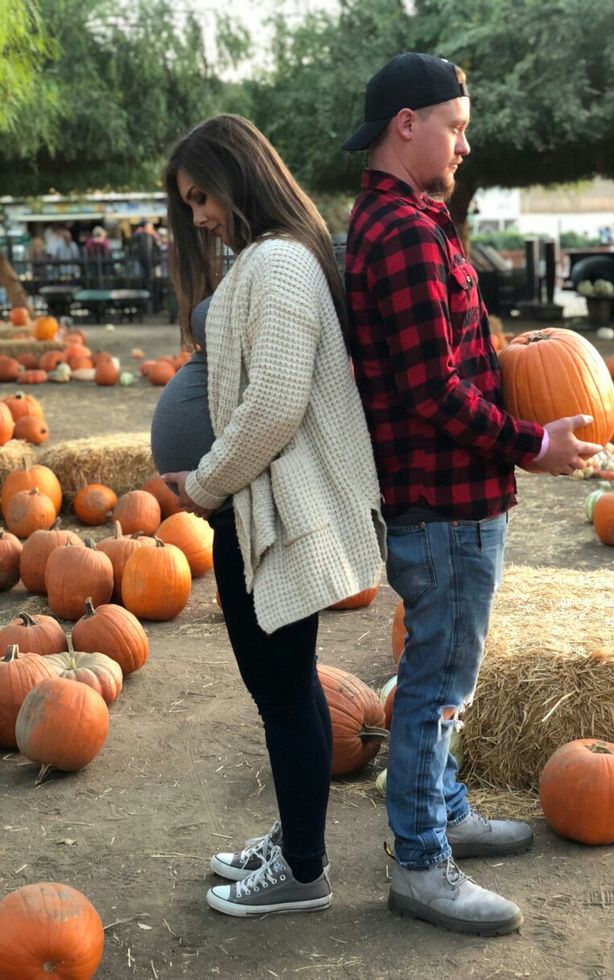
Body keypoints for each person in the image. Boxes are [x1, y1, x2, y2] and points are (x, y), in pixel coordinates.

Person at [342, 52, 601, 937]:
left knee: (441, 674)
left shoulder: (410, 219)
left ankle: (442, 809)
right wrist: (531, 442)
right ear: (404, 123)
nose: (465, 141)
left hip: (450, 499)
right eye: (454, 125)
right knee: (435, 684)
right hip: (444, 503)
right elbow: (432, 389)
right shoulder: (404, 233)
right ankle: (420, 865)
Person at [157, 113, 386, 919]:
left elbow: (275, 405)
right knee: (280, 690)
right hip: (254, 509)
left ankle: (302, 870)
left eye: (200, 198)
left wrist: (205, 486)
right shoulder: (266, 260)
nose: (198, 218)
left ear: (236, 177)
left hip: (271, 511)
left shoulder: (281, 263)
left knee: (285, 691)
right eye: (187, 206)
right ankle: (296, 837)